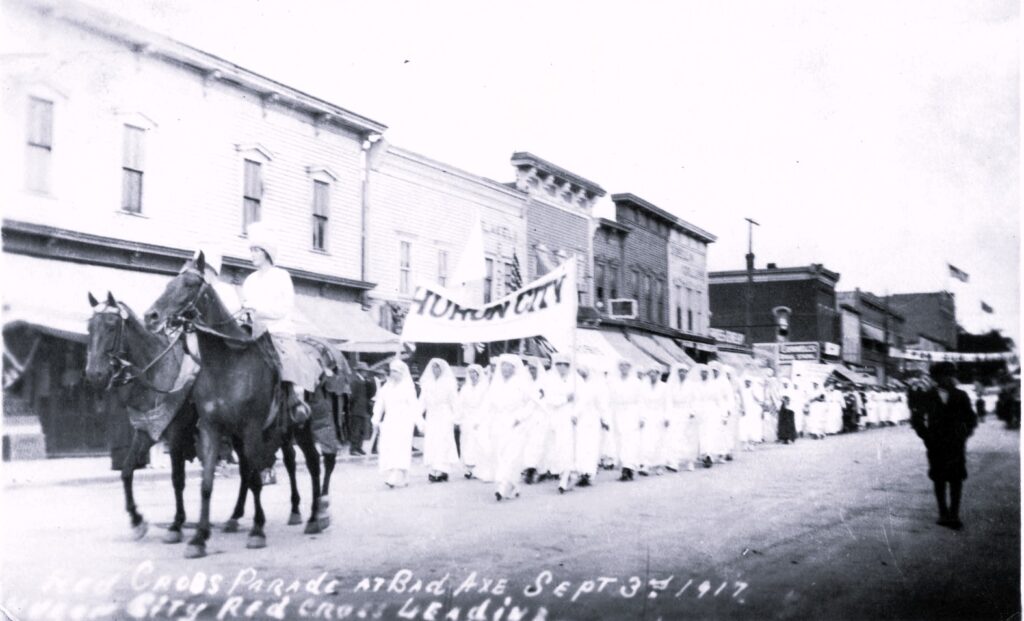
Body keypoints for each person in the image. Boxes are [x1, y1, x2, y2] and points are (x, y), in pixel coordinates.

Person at [240, 223, 319, 422]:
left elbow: (283, 309)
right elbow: (246, 304)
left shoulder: (281, 276)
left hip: (278, 331)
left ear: (266, 253)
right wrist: (245, 313)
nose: (252, 255)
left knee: (289, 360)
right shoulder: (249, 280)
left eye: (256, 250)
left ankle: (295, 399)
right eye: (251, 250)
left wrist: (257, 311)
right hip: (253, 332)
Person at [911, 362, 978, 530]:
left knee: (956, 478)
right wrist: (925, 436)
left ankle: (954, 514)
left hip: (956, 443)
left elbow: (971, 418)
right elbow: (916, 419)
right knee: (938, 477)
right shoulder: (926, 396)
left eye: (950, 375)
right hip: (935, 443)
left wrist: (964, 435)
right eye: (943, 375)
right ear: (935, 378)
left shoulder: (961, 395)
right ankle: (943, 512)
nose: (947, 379)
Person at [488, 355, 538, 501]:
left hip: (517, 423)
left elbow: (532, 403)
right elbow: (489, 404)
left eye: (508, 366)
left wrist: (520, 417)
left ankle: (503, 487)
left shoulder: (522, 383)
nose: (505, 369)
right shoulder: (496, 384)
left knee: (512, 455)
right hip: (500, 423)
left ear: (514, 368)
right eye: (503, 366)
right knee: (501, 454)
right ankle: (513, 485)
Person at [370, 359, 423, 488]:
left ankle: (395, 474)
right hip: (389, 421)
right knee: (389, 447)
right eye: (392, 371)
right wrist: (376, 419)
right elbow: (379, 404)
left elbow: (414, 407)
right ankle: (404, 474)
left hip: (404, 422)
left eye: (396, 372)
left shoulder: (408, 388)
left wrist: (420, 423)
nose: (393, 374)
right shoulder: (386, 387)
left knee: (400, 448)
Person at [419, 358, 460, 482]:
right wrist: (418, 417)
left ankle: (442, 469)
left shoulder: (449, 383)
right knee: (432, 441)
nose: (435, 370)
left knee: (443, 441)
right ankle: (434, 469)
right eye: (433, 368)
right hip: (431, 415)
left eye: (437, 367)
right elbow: (422, 401)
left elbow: (455, 402)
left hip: (444, 415)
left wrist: (455, 418)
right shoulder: (427, 383)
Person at [542, 354, 577, 492]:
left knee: (566, 447)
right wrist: (564, 399)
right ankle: (564, 473)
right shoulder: (550, 380)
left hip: (569, 418)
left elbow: (581, 399)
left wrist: (575, 413)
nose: (562, 367)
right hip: (554, 417)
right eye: (559, 364)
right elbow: (550, 399)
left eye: (565, 364)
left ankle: (565, 477)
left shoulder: (575, 380)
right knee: (555, 448)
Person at [573, 362, 607, 487]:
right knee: (580, 446)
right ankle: (581, 472)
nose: (581, 373)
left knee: (591, 446)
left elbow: (601, 405)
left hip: (592, 419)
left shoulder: (596, 386)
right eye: (579, 371)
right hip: (579, 420)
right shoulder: (576, 385)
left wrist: (604, 419)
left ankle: (589, 473)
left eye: (583, 371)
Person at [608, 359, 643, 481]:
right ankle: (624, 466)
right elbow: (610, 399)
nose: (623, 367)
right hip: (617, 412)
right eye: (621, 365)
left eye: (626, 365)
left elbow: (640, 401)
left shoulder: (637, 382)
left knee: (631, 440)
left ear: (630, 367)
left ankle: (629, 467)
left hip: (632, 412)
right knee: (620, 440)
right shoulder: (613, 381)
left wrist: (641, 417)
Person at [457, 364, 490, 480]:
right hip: (467, 417)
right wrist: (459, 417)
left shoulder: (484, 387)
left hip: (480, 417)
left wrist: (479, 419)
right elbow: (460, 404)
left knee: (479, 442)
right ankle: (468, 468)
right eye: (470, 373)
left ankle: (479, 467)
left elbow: (486, 405)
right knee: (466, 442)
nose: (472, 375)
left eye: (474, 373)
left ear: (478, 374)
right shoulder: (465, 388)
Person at [666, 363, 698, 472]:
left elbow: (695, 399)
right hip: (675, 412)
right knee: (674, 436)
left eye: (684, 371)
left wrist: (692, 411)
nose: (682, 373)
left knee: (687, 437)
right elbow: (669, 400)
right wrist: (669, 414)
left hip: (687, 412)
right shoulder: (672, 385)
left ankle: (690, 461)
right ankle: (674, 462)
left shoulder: (691, 385)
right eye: (680, 371)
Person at [639, 366, 668, 476]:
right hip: (647, 416)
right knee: (647, 440)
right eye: (650, 373)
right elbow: (641, 403)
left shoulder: (664, 387)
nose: (652, 375)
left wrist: (667, 417)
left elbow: (667, 403)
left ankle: (659, 465)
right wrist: (641, 417)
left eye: (654, 373)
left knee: (659, 440)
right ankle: (646, 464)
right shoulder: (644, 387)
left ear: (658, 374)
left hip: (659, 415)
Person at [347, 362, 377, 456]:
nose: (366, 373)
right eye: (365, 371)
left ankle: (359, 447)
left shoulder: (364, 381)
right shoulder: (355, 381)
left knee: (361, 430)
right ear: (360, 371)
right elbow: (352, 396)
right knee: (355, 429)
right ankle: (354, 448)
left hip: (362, 408)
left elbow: (370, 393)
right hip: (356, 408)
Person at [739, 377, 763, 451]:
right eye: (746, 381)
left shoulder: (753, 390)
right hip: (745, 410)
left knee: (752, 427)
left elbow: (758, 399)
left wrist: (759, 401)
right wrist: (742, 408)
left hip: (752, 410)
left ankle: (751, 444)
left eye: (749, 382)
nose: (747, 383)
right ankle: (745, 444)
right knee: (744, 427)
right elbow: (741, 400)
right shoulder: (742, 391)